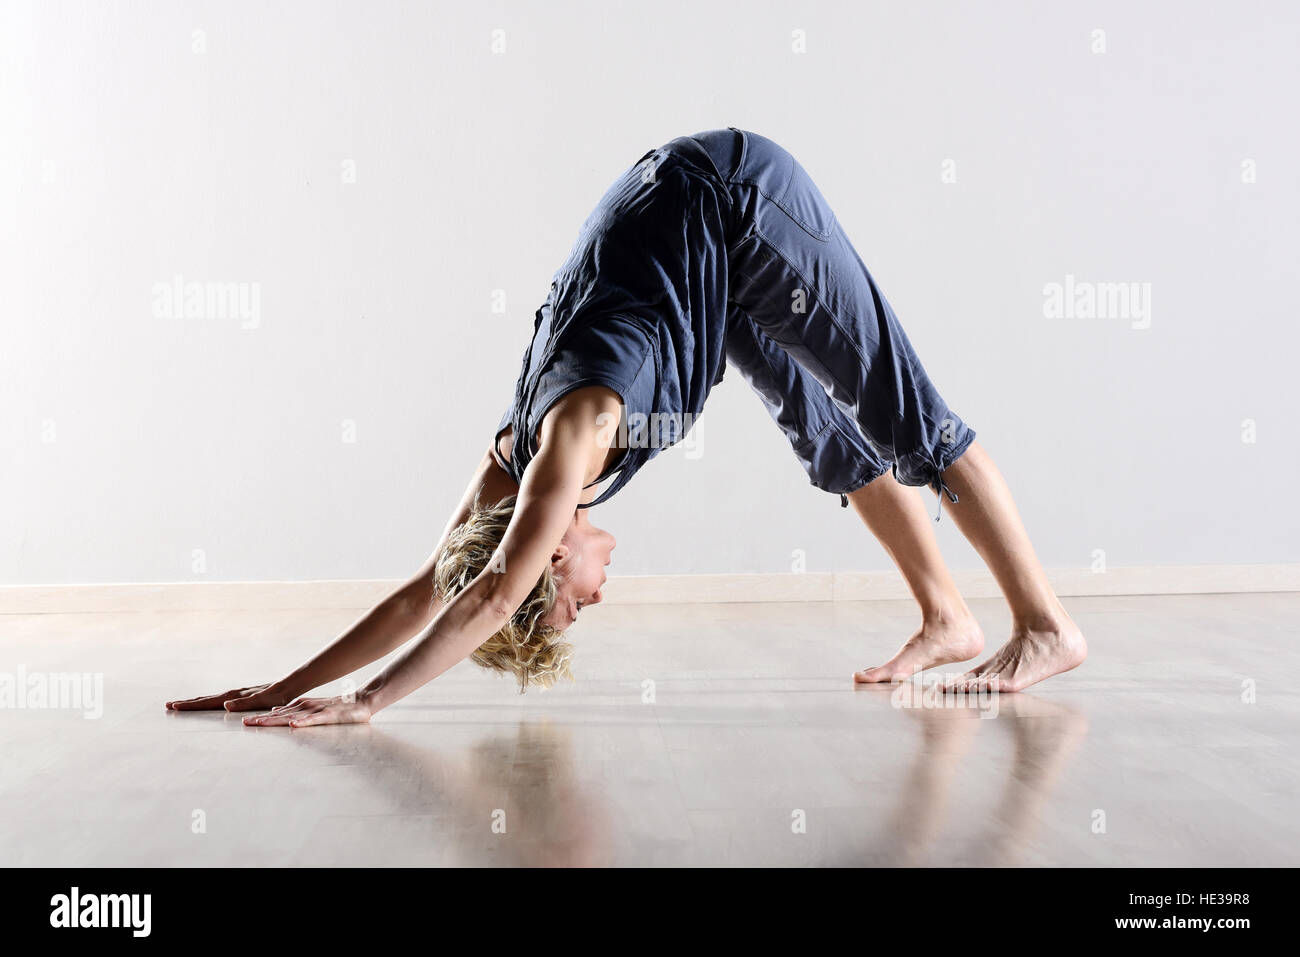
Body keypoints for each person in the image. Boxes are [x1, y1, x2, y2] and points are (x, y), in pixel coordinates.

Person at [166, 128, 1085, 727]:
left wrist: (366, 702)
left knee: (906, 416)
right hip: (689, 255)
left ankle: (1044, 625)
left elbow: (487, 594)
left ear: (547, 558)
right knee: (821, 432)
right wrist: (285, 684)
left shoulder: (574, 435)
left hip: (735, 204)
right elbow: (434, 584)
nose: (594, 603)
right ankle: (949, 613)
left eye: (568, 604)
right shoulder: (511, 464)